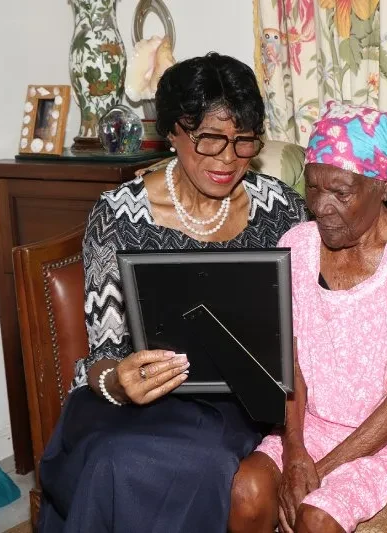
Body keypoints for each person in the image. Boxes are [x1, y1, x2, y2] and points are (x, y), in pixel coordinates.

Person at [37, 52, 308, 533]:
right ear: (173, 133)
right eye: (208, 139)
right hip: (134, 400)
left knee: (176, 462)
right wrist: (118, 382)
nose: (227, 158)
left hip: (237, 403)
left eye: (243, 141)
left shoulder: (282, 209)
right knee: (111, 457)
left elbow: (312, 326)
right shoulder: (118, 215)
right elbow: (105, 352)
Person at [228, 102, 387, 533]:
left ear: (381, 187)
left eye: (340, 193)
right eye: (314, 189)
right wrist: (297, 451)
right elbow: (290, 366)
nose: (322, 207)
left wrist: (319, 470)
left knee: (317, 515)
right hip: (316, 424)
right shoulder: (295, 247)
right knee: (247, 489)